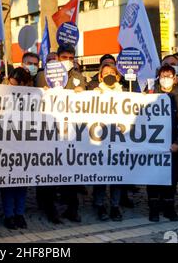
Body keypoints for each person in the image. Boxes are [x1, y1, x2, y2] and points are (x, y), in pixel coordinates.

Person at [35, 44, 87, 223]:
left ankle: (72, 209)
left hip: (71, 133)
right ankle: (50, 209)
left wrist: (82, 94)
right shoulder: (44, 75)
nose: (68, 61)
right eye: (64, 57)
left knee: (72, 174)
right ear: (58, 57)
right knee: (49, 173)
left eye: (71, 58)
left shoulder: (78, 77)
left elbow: (88, 105)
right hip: (50, 133)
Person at [147, 65, 178, 222]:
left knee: (171, 179)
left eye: (169, 76)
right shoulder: (149, 94)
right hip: (152, 144)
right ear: (158, 77)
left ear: (174, 78)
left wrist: (177, 142)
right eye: (163, 76)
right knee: (153, 177)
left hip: (172, 145)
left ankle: (169, 209)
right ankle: (153, 210)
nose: (166, 79)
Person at [87, 63, 124, 221]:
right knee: (101, 175)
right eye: (105, 73)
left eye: (112, 72)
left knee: (117, 176)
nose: (109, 75)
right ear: (100, 77)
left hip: (119, 140)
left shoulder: (125, 94)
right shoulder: (95, 93)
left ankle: (115, 206)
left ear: (117, 76)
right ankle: (99, 204)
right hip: (100, 141)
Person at [0, 67, 32, 229]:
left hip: (25, 144)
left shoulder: (34, 96)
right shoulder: (2, 95)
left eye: (16, 85)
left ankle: (19, 213)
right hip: (7, 144)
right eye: (11, 84)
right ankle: (9, 215)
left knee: (22, 181)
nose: (13, 88)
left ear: (25, 84)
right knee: (8, 182)